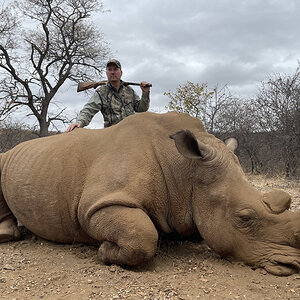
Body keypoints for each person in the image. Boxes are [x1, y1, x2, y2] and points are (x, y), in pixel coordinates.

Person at [66, 59, 151, 131]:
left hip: (132, 130)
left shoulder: (129, 90)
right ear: (106, 73)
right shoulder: (101, 92)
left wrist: (145, 93)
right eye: (110, 70)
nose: (112, 72)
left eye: (115, 69)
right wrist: (79, 122)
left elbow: (141, 109)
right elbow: (89, 109)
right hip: (112, 134)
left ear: (121, 72)